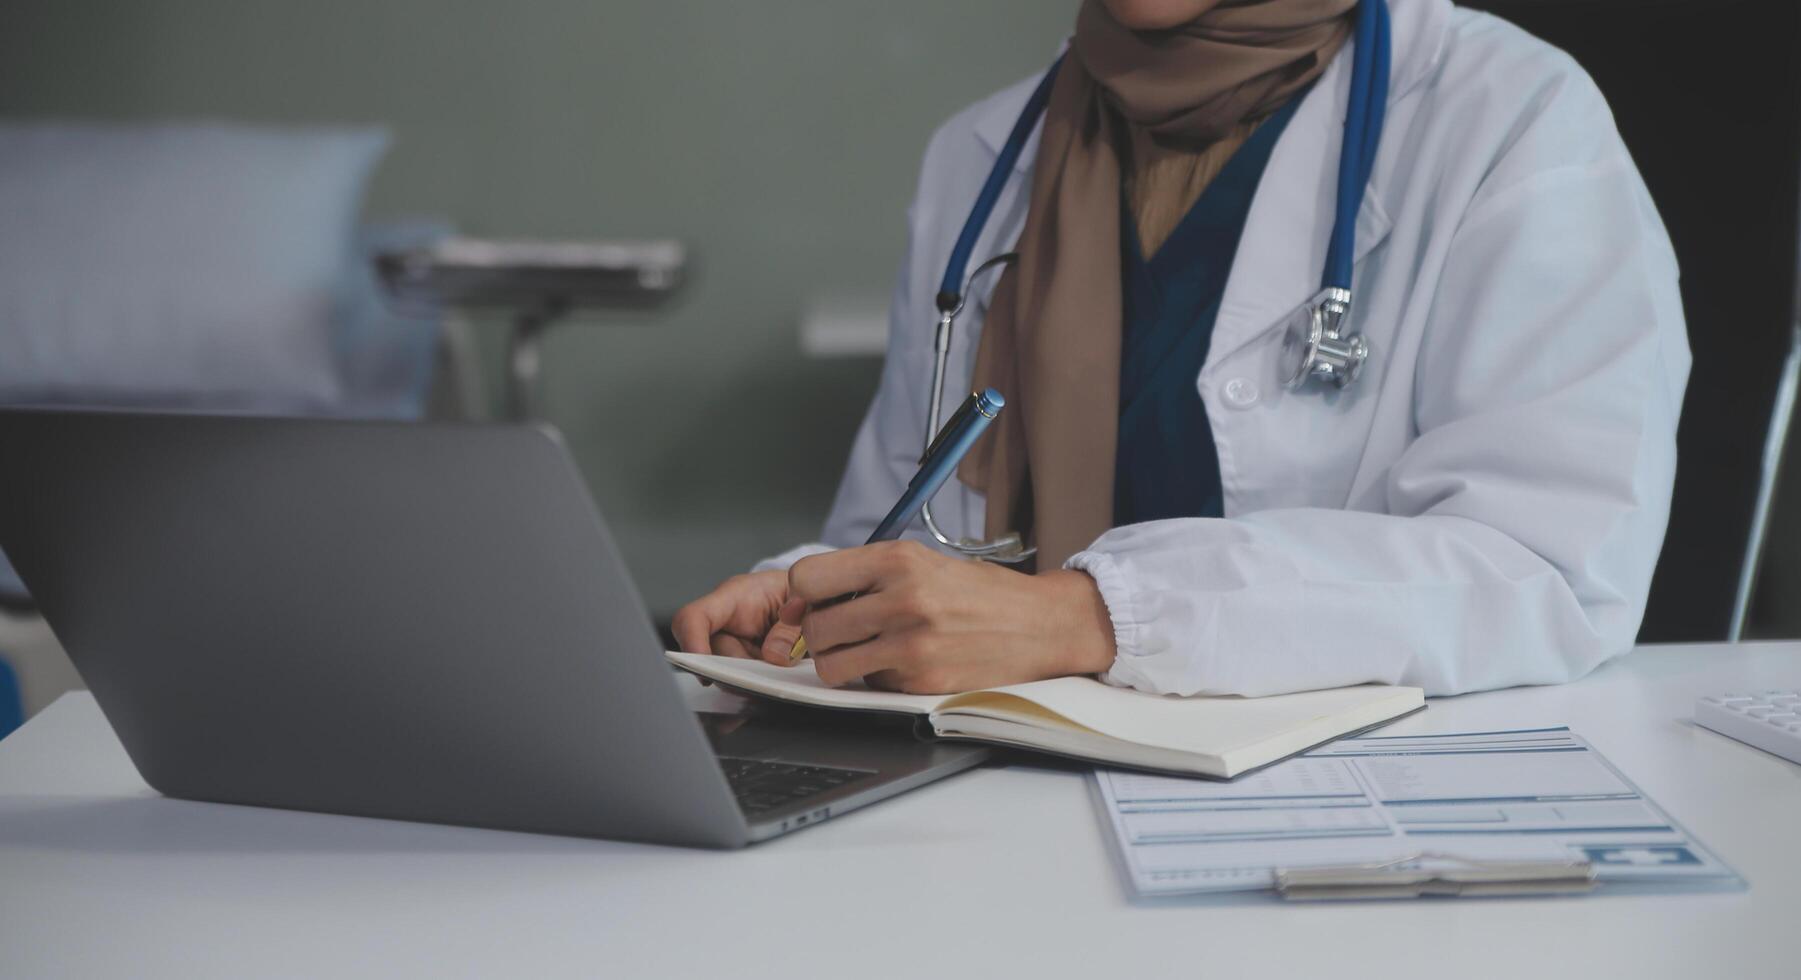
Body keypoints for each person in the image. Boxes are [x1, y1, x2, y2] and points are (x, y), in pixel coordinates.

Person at [672, 0, 1690, 699]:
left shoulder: (1508, 120)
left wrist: (1100, 618)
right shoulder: (980, 157)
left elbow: (1549, 569)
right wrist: (813, 595)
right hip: (1003, 810)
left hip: (1357, 823)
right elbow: (906, 537)